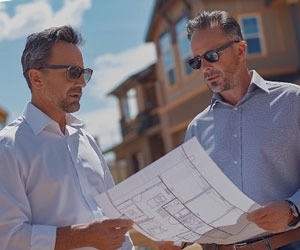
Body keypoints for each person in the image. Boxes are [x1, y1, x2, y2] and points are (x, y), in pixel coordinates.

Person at [0, 25, 179, 250]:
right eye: (72, 72)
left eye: (84, 73)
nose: (82, 83)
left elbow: (113, 220)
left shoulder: (86, 140)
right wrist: (82, 237)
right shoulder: (8, 147)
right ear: (36, 78)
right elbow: (7, 237)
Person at [184, 10, 300, 250]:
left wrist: (292, 209)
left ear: (240, 50)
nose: (205, 67)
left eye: (212, 55)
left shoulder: (293, 102)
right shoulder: (196, 129)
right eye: (197, 61)